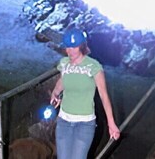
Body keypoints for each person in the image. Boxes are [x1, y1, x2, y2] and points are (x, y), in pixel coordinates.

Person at [49, 28, 121, 158]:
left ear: (81, 46)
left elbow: (104, 96)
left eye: (74, 47)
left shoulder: (93, 66)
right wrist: (55, 93)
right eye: (67, 47)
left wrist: (111, 123)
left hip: (85, 124)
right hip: (64, 121)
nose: (69, 51)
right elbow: (62, 81)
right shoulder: (64, 64)